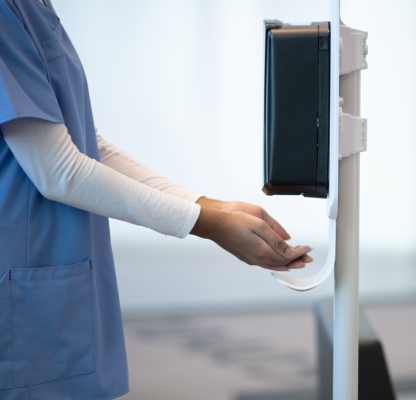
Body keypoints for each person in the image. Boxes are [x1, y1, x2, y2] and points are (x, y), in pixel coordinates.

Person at [0, 0, 312, 398]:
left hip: (56, 268)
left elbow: (85, 144)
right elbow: (58, 170)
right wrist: (209, 224)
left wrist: (212, 207)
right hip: (24, 268)